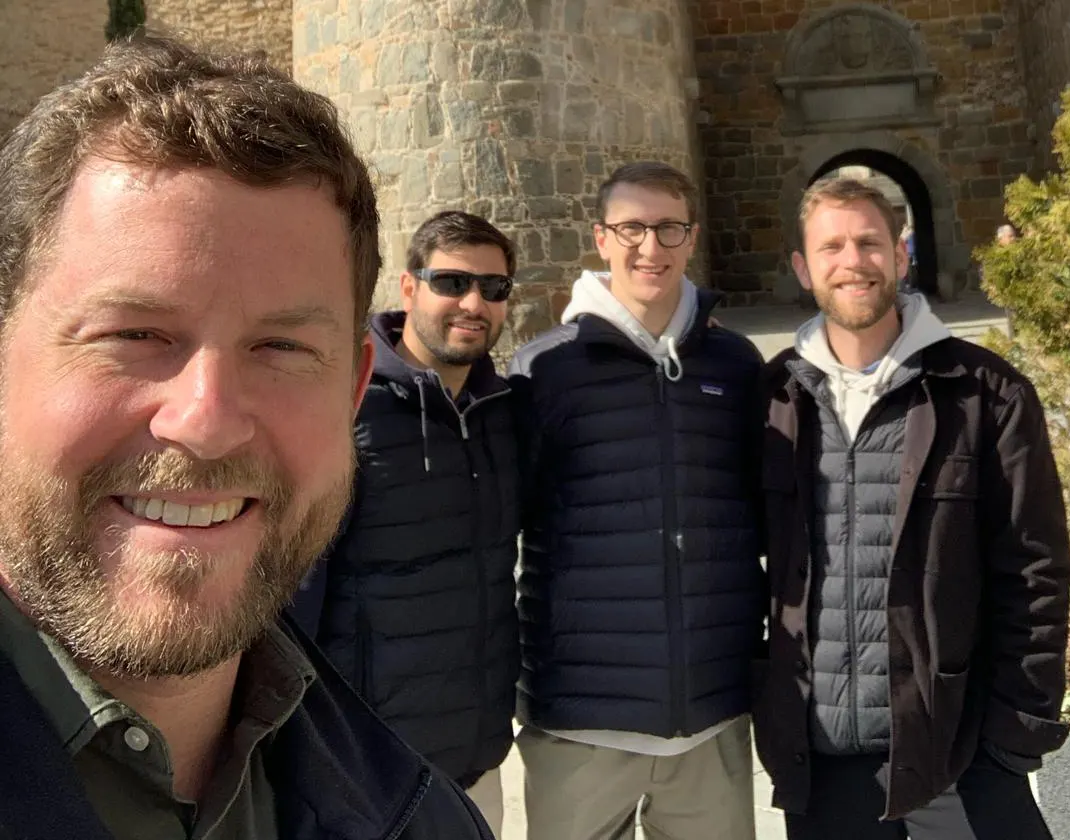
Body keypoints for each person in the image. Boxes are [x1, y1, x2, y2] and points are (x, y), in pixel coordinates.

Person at [0, 34, 492, 839]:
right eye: (133, 334)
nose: (206, 420)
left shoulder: (422, 820)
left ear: (353, 390)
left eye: (283, 348)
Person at [755, 177, 1070, 840]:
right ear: (802, 266)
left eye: (870, 242)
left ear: (900, 256)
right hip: (824, 762)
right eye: (832, 246)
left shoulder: (987, 394)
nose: (853, 261)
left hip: (958, 755)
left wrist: (1018, 732)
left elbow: (1036, 569)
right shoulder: (774, 397)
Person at [507, 161, 766, 840]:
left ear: (691, 237)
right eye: (631, 229)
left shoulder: (736, 367)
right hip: (582, 721)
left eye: (668, 228)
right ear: (600, 238)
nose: (650, 247)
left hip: (710, 718)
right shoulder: (544, 371)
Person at [292, 210, 520, 836]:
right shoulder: (347, 407)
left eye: (493, 289)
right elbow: (295, 595)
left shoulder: (503, 410)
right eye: (451, 282)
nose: (473, 302)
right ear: (409, 287)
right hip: (366, 776)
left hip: (474, 767)